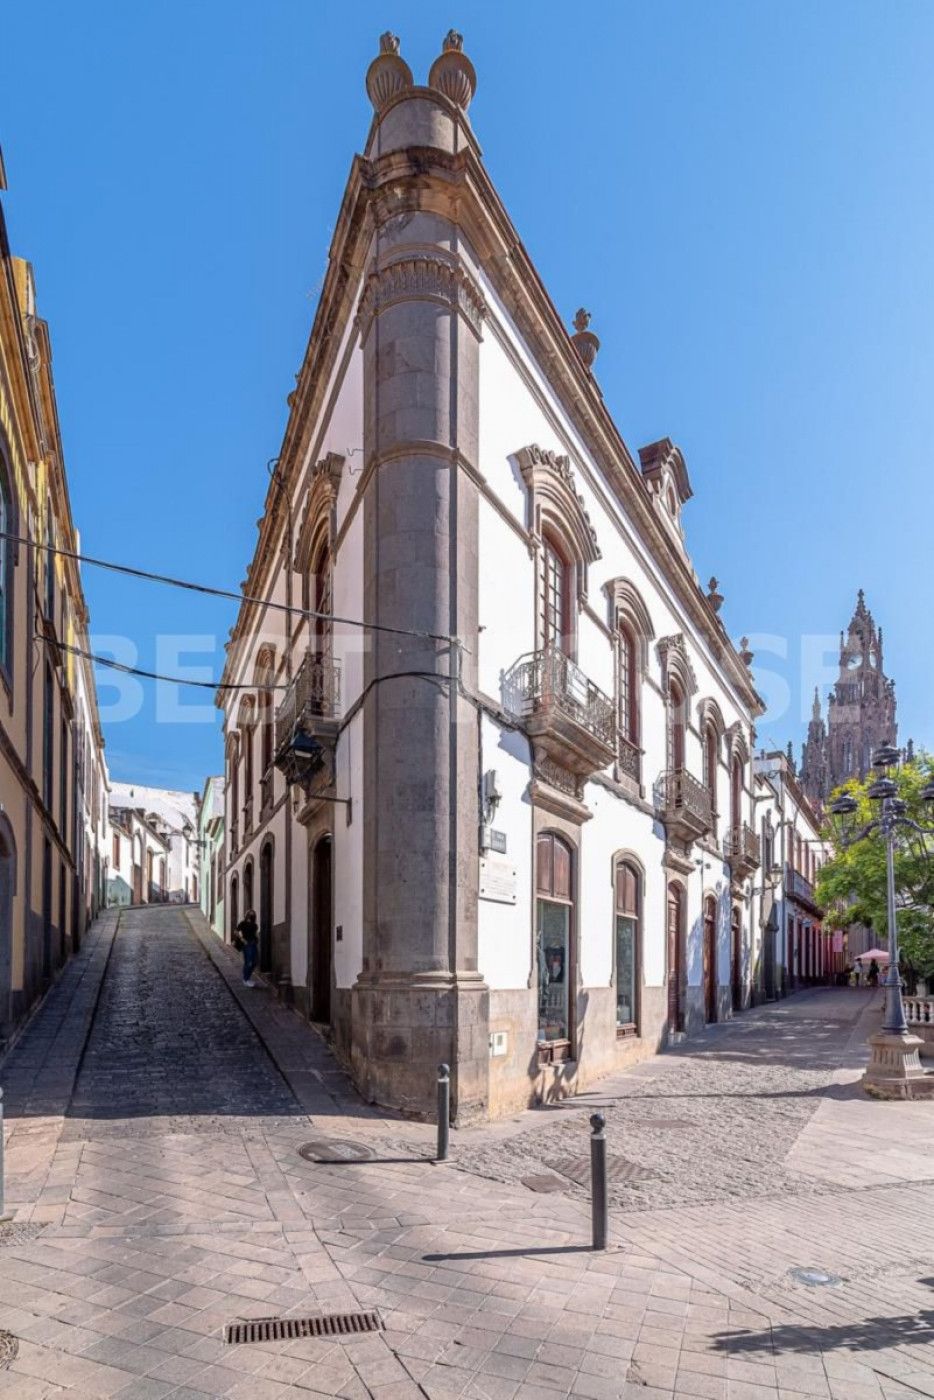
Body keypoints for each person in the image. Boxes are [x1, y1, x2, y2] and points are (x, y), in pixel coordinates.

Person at [235, 909, 259, 987]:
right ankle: (245, 979)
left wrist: (257, 938)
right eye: (250, 914)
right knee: (248, 962)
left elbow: (255, 933)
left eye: (253, 914)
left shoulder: (255, 925)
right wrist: (242, 939)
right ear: (247, 915)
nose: (251, 916)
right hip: (247, 944)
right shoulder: (243, 923)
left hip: (253, 944)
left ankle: (247, 978)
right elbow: (236, 931)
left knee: (255, 962)